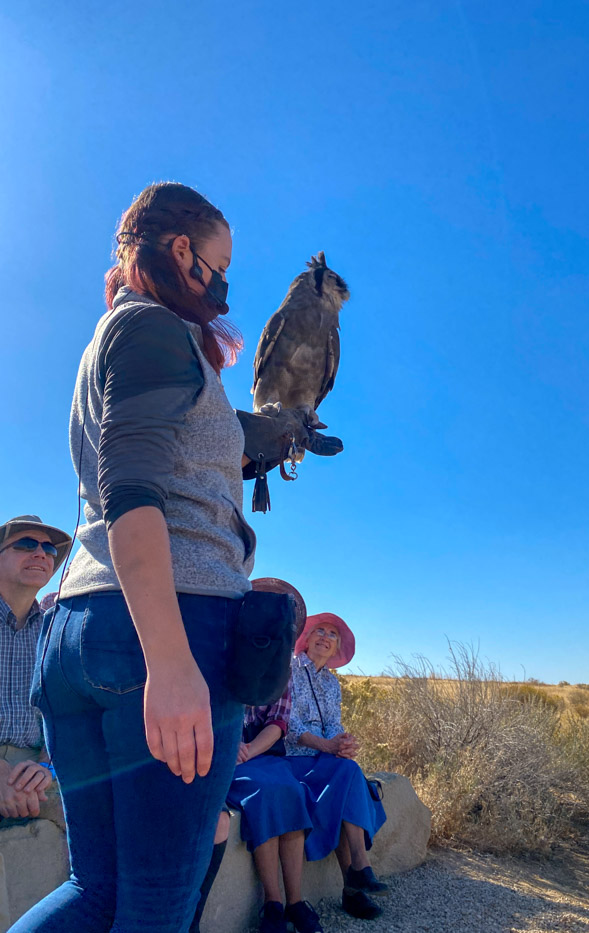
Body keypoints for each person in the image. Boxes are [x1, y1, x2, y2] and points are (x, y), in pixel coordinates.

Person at [9, 182, 339, 933]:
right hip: (161, 626)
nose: (225, 287)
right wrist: (171, 662)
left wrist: (277, 433)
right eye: (220, 266)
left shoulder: (131, 332)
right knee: (155, 906)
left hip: (83, 630)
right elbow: (134, 492)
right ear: (183, 252)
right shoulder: (156, 329)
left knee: (97, 891)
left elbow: (190, 449)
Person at [191, 578, 320, 933]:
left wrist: (247, 750)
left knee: (290, 791)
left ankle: (295, 901)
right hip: (218, 749)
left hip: (256, 751)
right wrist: (228, 745)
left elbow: (278, 722)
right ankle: (273, 903)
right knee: (264, 794)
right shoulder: (217, 644)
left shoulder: (281, 665)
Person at [286, 613, 388, 920]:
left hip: (325, 760)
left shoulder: (332, 684)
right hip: (291, 759)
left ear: (336, 648)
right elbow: (287, 724)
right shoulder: (287, 670)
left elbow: (332, 725)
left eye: (332, 634)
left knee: (348, 772)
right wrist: (327, 746)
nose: (325, 637)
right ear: (306, 638)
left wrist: (342, 743)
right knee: (350, 775)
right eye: (320, 630)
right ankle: (357, 875)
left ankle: (356, 879)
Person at [0, 515, 71, 825]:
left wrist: (46, 766)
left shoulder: (54, 632)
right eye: (26, 544)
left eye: (49, 549)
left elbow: (65, 714)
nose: (41, 553)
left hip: (34, 767)